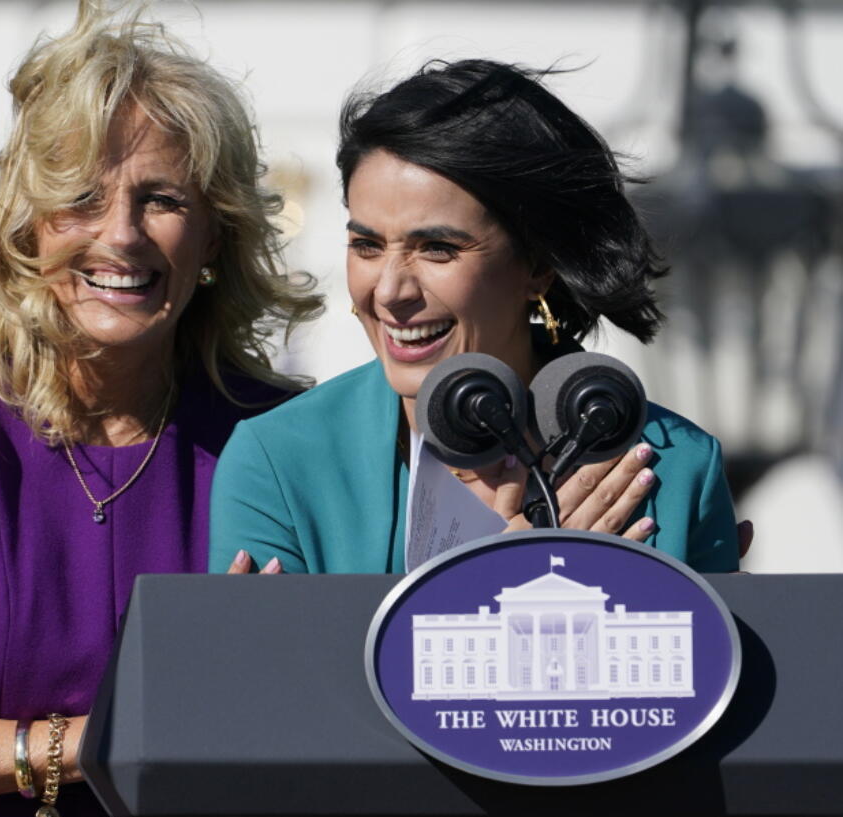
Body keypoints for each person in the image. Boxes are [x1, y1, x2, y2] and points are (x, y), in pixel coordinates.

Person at [0, 4, 321, 815]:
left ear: (216, 233)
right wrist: (103, 739)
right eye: (79, 195)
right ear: (29, 224)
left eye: (162, 198)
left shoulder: (282, 436)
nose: (121, 235)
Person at [210, 59, 746, 576]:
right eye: (367, 246)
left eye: (438, 248)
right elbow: (276, 671)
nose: (390, 291)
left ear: (537, 265)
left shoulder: (675, 468)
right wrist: (494, 589)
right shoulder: (278, 462)